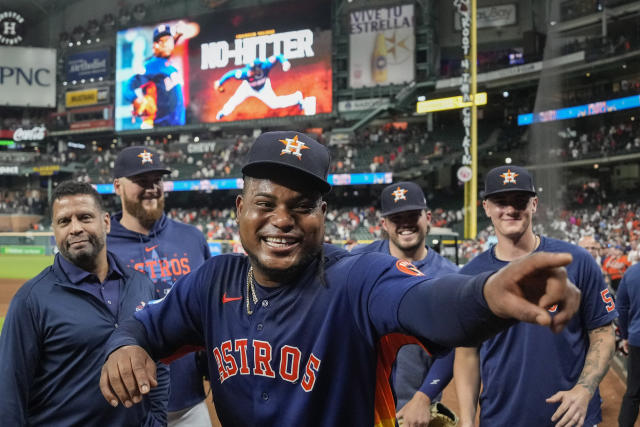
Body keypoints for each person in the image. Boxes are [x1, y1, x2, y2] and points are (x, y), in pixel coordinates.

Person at [99, 132, 581, 426]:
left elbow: (432, 303)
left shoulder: (359, 276)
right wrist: (124, 344)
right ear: (240, 210)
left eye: (302, 206)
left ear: (323, 215)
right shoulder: (214, 279)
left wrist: (488, 294)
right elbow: (145, 325)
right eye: (266, 204)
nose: (282, 219)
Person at [454, 165, 617, 427]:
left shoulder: (577, 260)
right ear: (486, 207)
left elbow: (603, 332)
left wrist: (584, 390)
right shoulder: (469, 276)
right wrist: (465, 420)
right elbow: (466, 354)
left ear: (534, 204)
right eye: (500, 201)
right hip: (501, 418)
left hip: (572, 419)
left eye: (519, 200)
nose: (510, 209)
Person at [0, 181, 168, 426]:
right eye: (64, 221)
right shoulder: (30, 300)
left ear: (106, 222)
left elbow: (159, 360)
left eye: (85, 217)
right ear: (55, 231)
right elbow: (9, 393)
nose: (75, 228)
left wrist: (157, 420)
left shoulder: (141, 284)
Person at [108, 146, 213, 426]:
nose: (152, 189)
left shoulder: (191, 238)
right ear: (117, 185)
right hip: (127, 407)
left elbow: (210, 307)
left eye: (157, 180)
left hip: (190, 403)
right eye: (142, 181)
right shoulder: (102, 246)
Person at [351, 181, 458, 426]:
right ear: (384, 224)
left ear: (428, 218)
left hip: (411, 410)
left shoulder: (449, 276)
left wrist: (424, 396)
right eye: (396, 217)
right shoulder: (358, 261)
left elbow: (452, 348)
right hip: (359, 404)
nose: (405, 223)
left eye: (413, 215)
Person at [124, 23, 185, 128]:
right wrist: (135, 99)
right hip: (160, 127)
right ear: (155, 45)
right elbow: (127, 86)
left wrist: (177, 35)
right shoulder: (151, 65)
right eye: (161, 41)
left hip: (178, 126)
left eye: (168, 40)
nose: (166, 44)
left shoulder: (169, 65)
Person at [214, 56, 314, 120]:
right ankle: (223, 112)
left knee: (274, 104)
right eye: (250, 69)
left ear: (259, 68)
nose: (250, 71)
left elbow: (278, 56)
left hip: (263, 88)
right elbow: (230, 74)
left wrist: (285, 62)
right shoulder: (245, 73)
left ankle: (298, 98)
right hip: (248, 88)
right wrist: (220, 82)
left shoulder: (266, 65)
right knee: (235, 99)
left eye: (252, 70)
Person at [617, 262, 640, 426]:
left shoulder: (631, 272)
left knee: (633, 392)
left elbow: (621, 307)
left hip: (636, 338)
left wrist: (625, 335)